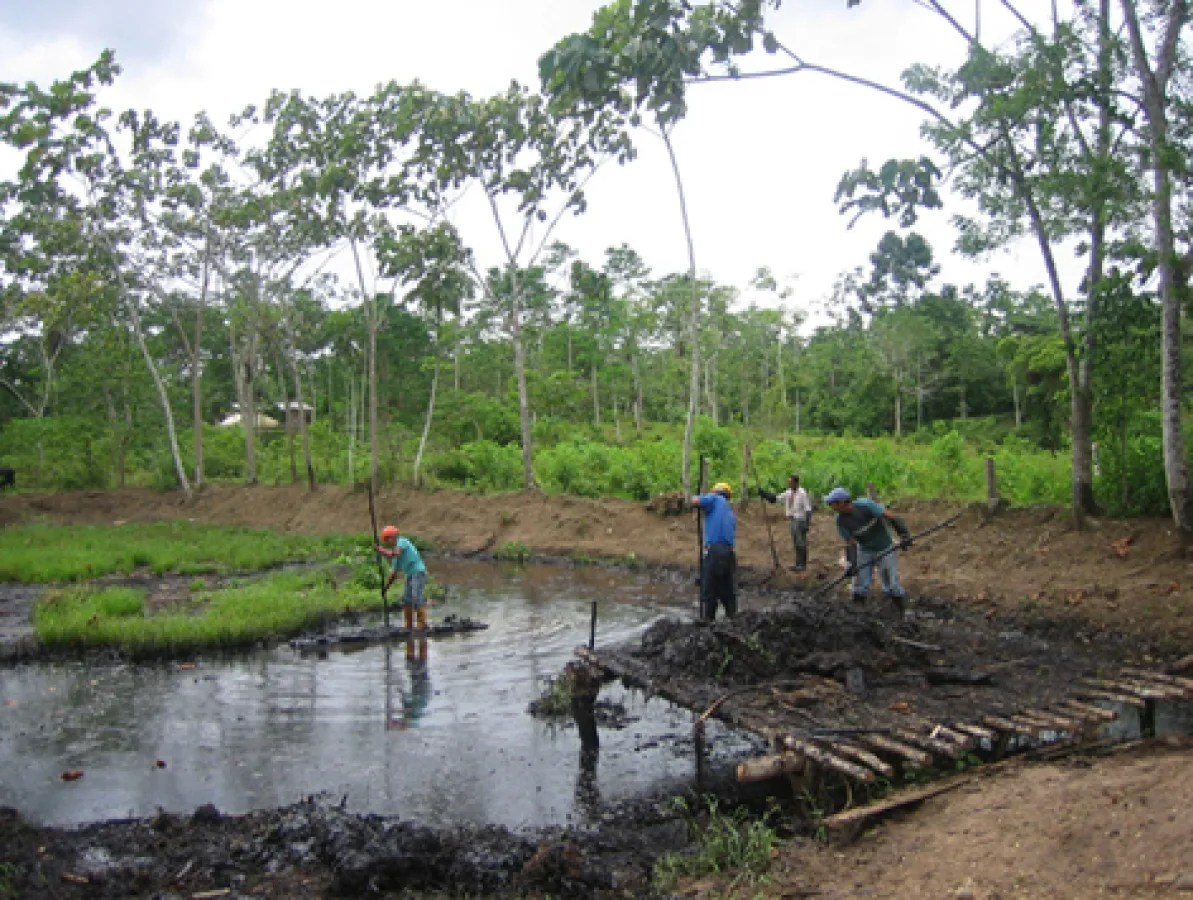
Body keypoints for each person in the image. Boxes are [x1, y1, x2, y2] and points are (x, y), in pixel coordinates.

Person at [823, 487, 912, 610]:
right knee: (859, 584)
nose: (831, 507)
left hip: (885, 548)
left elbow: (890, 517)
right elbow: (850, 542)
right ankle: (857, 614)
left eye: (832, 504)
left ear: (842, 503)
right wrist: (852, 564)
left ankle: (904, 612)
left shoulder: (865, 506)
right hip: (864, 551)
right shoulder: (840, 520)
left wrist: (904, 534)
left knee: (891, 584)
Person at [690, 482, 737, 621]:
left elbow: (696, 501)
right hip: (729, 553)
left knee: (709, 588)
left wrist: (695, 498)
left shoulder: (714, 498)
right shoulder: (730, 512)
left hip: (714, 551)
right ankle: (732, 617)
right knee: (727, 589)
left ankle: (707, 620)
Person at [375, 525, 429, 631]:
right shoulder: (396, 556)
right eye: (387, 540)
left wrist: (381, 551)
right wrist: (385, 588)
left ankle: (422, 623)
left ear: (393, 537)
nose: (389, 541)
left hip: (418, 572)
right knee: (407, 599)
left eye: (388, 538)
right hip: (410, 575)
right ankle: (408, 624)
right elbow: (394, 574)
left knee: (416, 596)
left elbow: (395, 553)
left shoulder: (402, 542)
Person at [759, 473, 813, 570]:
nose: (789, 485)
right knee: (796, 542)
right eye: (788, 483)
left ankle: (802, 565)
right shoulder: (788, 492)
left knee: (801, 543)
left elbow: (808, 510)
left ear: (796, 483)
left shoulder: (802, 493)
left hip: (800, 520)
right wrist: (764, 494)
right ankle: (798, 564)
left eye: (790, 483)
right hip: (792, 520)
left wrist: (806, 524)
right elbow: (775, 499)